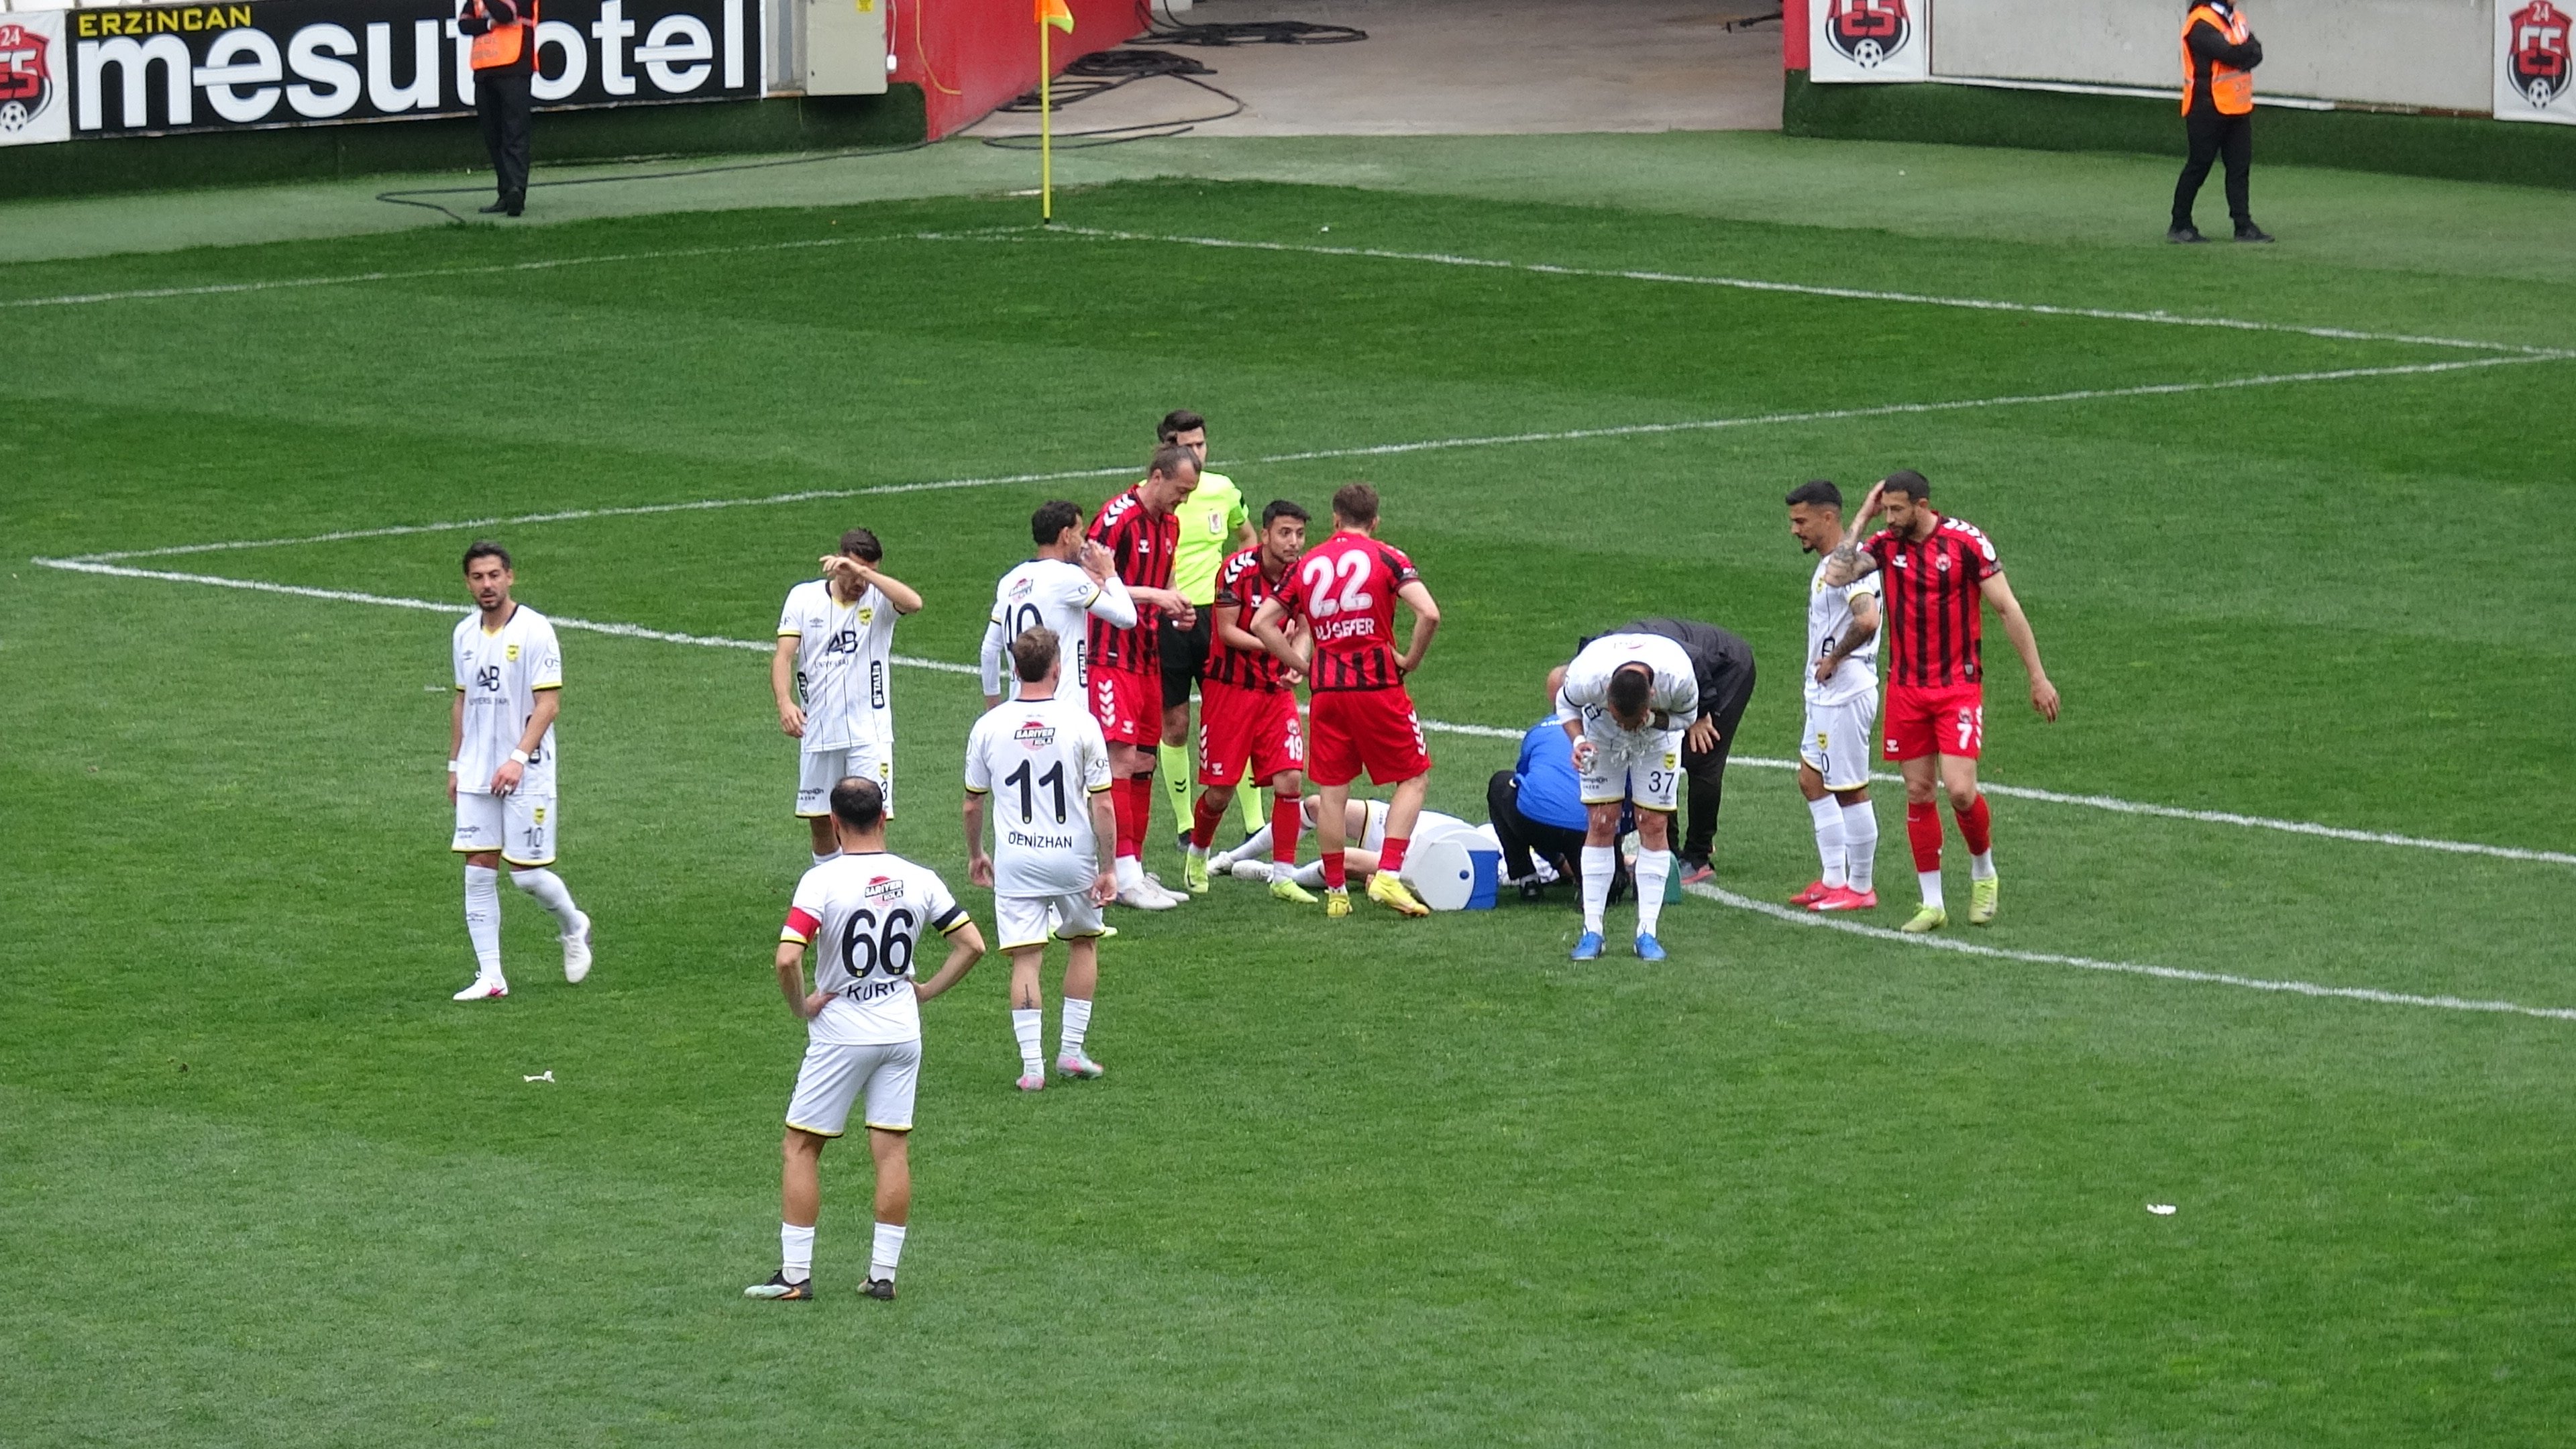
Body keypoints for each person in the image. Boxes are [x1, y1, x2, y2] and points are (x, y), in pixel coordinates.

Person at [747, 777, 986, 1302]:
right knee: (892, 1148)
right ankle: (882, 1275)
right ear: (884, 818)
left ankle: (794, 1276)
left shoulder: (823, 882)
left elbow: (788, 957)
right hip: (901, 1027)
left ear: (833, 823)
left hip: (842, 1032)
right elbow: (972, 945)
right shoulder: (919, 878)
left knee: (802, 1146)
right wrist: (923, 992)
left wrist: (802, 1005)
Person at [1821, 470, 2060, 932]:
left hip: (1957, 687)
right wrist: (1863, 516)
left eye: (1896, 509)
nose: (1889, 518)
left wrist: (2038, 677)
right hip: (1907, 688)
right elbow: (1835, 575)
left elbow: (2007, 608)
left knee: (1961, 789)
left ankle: (1983, 871)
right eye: (1884, 509)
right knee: (1917, 791)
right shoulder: (1885, 544)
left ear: (1923, 505)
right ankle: (1932, 903)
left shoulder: (1966, 543)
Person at [1250, 482, 1439, 920]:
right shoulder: (1388, 557)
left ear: (1335, 519)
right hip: (1377, 688)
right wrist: (1409, 659)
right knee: (1413, 778)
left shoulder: (1308, 563)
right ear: (1374, 522)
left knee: (1332, 792)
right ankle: (1388, 873)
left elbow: (1263, 622)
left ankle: (1337, 892)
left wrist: (1295, 659)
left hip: (1328, 692)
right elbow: (1429, 613)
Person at [962, 629, 1120, 1091]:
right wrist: (1108, 866)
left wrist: (976, 854)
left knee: (1026, 959)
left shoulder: (989, 725)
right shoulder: (1080, 722)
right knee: (1083, 943)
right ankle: (1071, 1051)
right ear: (1057, 669)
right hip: (1073, 857)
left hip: (1017, 861)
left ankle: (1032, 1068)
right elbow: (1104, 804)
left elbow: (973, 803)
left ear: (1015, 669)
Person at [447, 540, 592, 1001]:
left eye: (494, 575)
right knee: (477, 867)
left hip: (526, 770)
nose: (486, 585)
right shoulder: (464, 634)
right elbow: (462, 701)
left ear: (510, 576)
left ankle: (574, 924)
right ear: (468, 582)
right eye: (477, 577)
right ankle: (491, 978)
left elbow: (548, 705)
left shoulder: (535, 631)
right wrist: (455, 763)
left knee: (526, 875)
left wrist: (517, 758)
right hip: (476, 771)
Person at [1087, 445, 1203, 910]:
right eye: (1180, 491)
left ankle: (1133, 866)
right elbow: (1087, 581)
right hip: (1108, 656)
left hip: (1146, 656)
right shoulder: (1116, 519)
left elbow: (1168, 578)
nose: (1184, 501)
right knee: (1118, 760)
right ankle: (1117, 872)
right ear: (1156, 477)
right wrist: (1157, 596)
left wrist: (1178, 603)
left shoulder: (1170, 524)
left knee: (1144, 763)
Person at [1188, 500, 1313, 901]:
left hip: (1274, 692)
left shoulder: (1304, 573)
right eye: (1284, 533)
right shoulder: (1237, 571)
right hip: (1230, 691)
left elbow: (1307, 624)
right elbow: (1226, 631)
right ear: (1264, 535)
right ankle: (1198, 853)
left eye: (1299, 534)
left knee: (1290, 778)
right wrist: (1280, 648)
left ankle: (1282, 876)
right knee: (1220, 790)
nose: (1293, 542)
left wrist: (1299, 658)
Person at [773, 529, 922, 864]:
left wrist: (866, 574)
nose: (860, 583)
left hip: (869, 732)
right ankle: (831, 890)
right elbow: (783, 656)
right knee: (821, 822)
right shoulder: (802, 597)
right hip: (820, 729)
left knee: (871, 820)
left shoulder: (879, 598)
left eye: (867, 574)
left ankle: (870, 892)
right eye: (853, 572)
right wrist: (784, 702)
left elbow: (914, 603)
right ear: (838, 564)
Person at [1152, 410, 1256, 860]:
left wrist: (1245, 593)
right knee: (1175, 723)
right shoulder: (1156, 501)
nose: (1197, 452)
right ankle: (1185, 823)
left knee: (1236, 716)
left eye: (1201, 444)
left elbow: (1248, 538)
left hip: (1218, 619)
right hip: (1170, 619)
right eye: (1186, 445)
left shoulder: (1222, 490)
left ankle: (1255, 823)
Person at [1557, 632, 1699, 961]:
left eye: (1630, 720)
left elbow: (1688, 718)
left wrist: (1649, 722)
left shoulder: (1678, 675)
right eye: (1621, 718)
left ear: (1652, 695)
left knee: (1653, 824)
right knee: (1601, 821)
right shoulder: (1587, 673)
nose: (1627, 727)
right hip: (1600, 737)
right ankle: (1592, 930)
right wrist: (1578, 742)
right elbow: (1564, 703)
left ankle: (1647, 931)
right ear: (1605, 696)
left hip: (1658, 739)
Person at [1785, 480, 1883, 912]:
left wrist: (1834, 659)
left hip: (1845, 692)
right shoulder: (1834, 561)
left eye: (1801, 521)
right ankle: (1832, 879)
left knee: (1850, 790)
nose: (1795, 530)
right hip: (1824, 695)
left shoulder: (1856, 566)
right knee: (1812, 780)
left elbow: (1868, 620)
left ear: (1829, 517)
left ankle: (1860, 888)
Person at [1599, 617, 1756, 885]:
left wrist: (1701, 713)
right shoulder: (1593, 664)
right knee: (1655, 752)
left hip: (1724, 669)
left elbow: (1695, 660)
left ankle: (1698, 856)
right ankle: (1666, 850)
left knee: (1702, 756)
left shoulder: (1668, 665)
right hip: (1681, 671)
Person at [978, 500, 1138, 710]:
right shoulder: (1068, 577)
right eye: (1079, 533)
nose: (1082, 543)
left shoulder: (1009, 581)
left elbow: (989, 651)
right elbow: (1127, 618)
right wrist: (1110, 573)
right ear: (1065, 535)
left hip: (1019, 711)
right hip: (1064, 712)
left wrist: (993, 710)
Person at [1216, 795, 1474, 894]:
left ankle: (1281, 875)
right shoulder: (1487, 832)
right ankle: (1229, 859)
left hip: (1420, 860)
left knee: (1342, 860)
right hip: (1409, 824)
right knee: (1317, 805)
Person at [2169, 0, 2271, 244]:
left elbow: (2256, 52)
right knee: (2199, 165)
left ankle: (2243, 225)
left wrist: (2244, 53)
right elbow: (2231, 54)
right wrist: (2244, 52)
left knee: (2239, 167)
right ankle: (2180, 223)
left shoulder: (2237, 19)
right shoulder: (2201, 22)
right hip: (2206, 107)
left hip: (2237, 105)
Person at [1488, 667, 1592, 900]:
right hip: (1591, 833)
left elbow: (1526, 790)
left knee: (1502, 785)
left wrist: (1554, 858)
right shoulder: (1605, 731)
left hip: (1540, 827)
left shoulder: (1539, 731)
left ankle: (1528, 880)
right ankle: (1606, 876)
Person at [456, 0, 535, 217]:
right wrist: (489, 24)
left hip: (515, 67)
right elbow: (464, 25)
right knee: (494, 137)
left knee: (515, 133)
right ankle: (505, 193)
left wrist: (486, 22)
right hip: (484, 72)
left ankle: (516, 190)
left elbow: (506, 13)